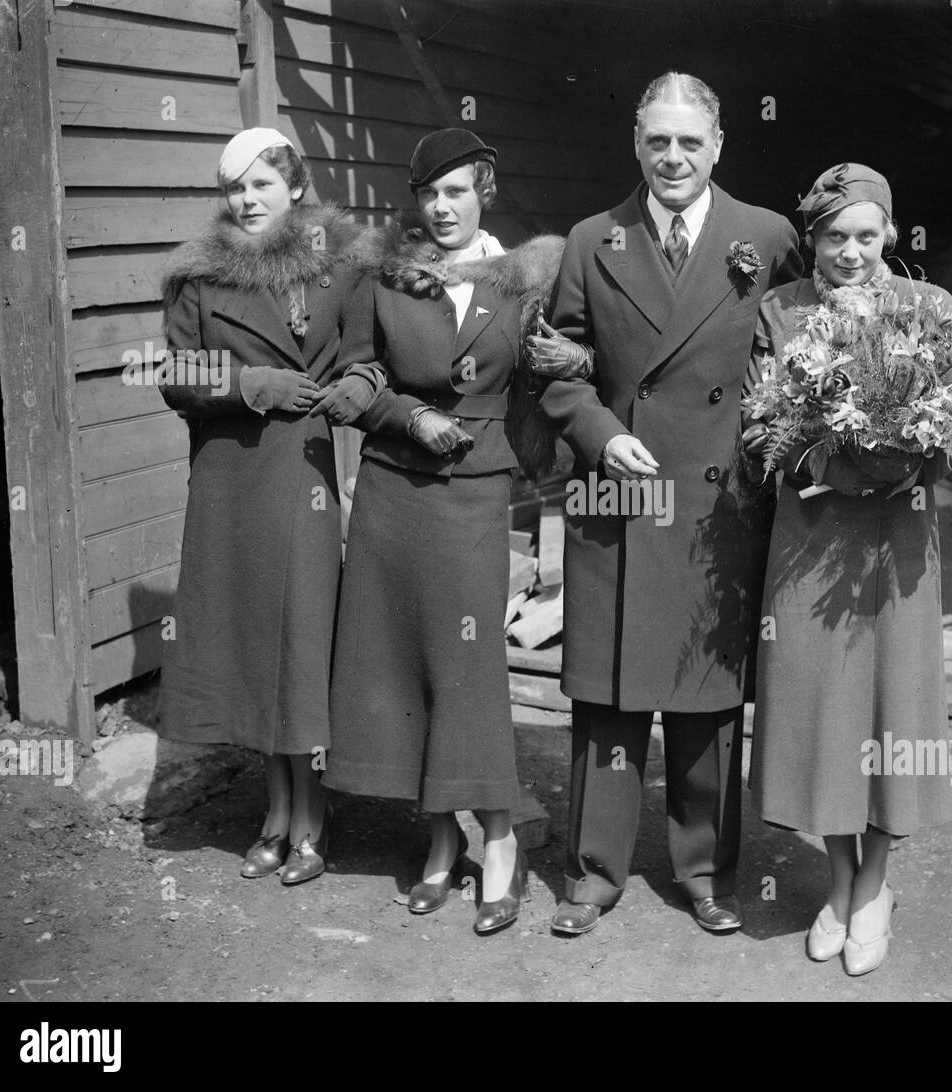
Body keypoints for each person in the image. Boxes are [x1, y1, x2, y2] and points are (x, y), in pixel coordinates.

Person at [530, 73, 802, 936]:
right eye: (658, 141)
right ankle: (595, 872)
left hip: (719, 501)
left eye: (690, 141)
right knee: (609, 692)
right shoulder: (591, 241)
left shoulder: (765, 235)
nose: (673, 157)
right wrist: (603, 433)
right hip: (621, 489)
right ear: (636, 146)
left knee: (706, 696)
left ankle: (708, 872)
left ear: (719, 144)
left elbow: (802, 340)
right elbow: (559, 366)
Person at [324, 128, 580, 934]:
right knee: (401, 665)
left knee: (467, 670)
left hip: (474, 493)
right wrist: (410, 415)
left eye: (456, 192)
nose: (441, 209)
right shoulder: (385, 277)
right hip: (395, 489)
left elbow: (554, 377)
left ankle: (499, 842)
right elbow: (356, 375)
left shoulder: (525, 281)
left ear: (484, 194)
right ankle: (438, 842)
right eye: (429, 195)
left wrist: (570, 372)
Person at [745, 163, 952, 975]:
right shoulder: (782, 312)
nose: (850, 252)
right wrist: (824, 454)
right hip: (812, 539)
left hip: (899, 546)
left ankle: (875, 888)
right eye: (835, 236)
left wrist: (909, 455)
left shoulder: (927, 310)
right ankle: (839, 884)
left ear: (890, 237)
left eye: (867, 236)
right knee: (824, 710)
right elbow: (760, 425)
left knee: (891, 713)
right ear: (813, 241)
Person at [158, 128, 373, 884]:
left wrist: (360, 390)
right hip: (228, 478)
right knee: (253, 645)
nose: (247, 200)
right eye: (235, 188)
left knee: (302, 642)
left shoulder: (341, 267)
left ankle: (312, 817)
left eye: (262, 185)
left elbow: (367, 355)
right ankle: (275, 812)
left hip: (302, 474)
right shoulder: (199, 276)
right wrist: (248, 387)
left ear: (295, 187)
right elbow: (175, 372)